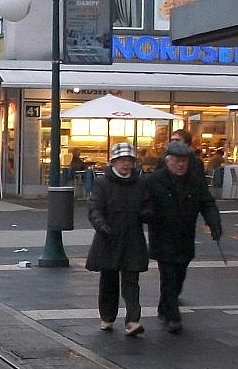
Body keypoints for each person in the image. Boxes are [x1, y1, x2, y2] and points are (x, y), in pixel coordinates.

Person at [145, 140, 223, 334]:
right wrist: (148, 215)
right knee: (168, 276)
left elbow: (207, 203)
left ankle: (165, 307)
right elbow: (144, 204)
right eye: (177, 161)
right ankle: (172, 316)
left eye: (184, 161)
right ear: (168, 160)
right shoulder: (154, 181)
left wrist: (214, 223)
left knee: (179, 275)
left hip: (185, 236)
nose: (180, 165)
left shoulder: (195, 181)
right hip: (163, 236)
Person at [85, 142, 153, 336]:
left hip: (132, 237)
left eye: (129, 161)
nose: (126, 165)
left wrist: (146, 213)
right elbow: (94, 208)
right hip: (109, 238)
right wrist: (101, 226)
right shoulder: (102, 183)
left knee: (132, 280)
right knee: (109, 280)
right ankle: (107, 317)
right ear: (113, 162)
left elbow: (148, 205)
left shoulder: (140, 184)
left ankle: (133, 320)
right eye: (122, 161)